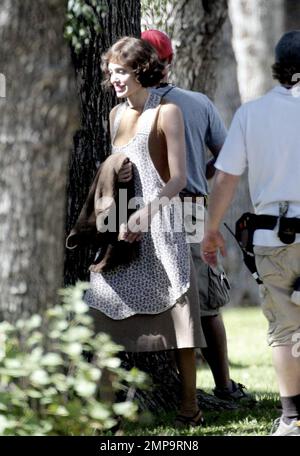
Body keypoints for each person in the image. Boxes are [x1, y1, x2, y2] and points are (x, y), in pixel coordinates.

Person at [76, 36, 206, 427]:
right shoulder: (115, 115)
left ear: (142, 70)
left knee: (180, 316)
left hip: (163, 225)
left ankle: (190, 409)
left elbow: (179, 177)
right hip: (121, 231)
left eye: (123, 71)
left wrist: (146, 215)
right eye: (112, 72)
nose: (115, 79)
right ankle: (106, 417)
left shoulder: (167, 112)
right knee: (99, 311)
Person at [141, 29, 253, 402]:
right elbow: (228, 152)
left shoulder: (130, 104)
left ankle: (179, 386)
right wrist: (199, 173)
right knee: (203, 305)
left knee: (162, 301)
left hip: (137, 213)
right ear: (170, 61)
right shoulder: (197, 103)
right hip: (188, 207)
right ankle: (223, 387)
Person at [201, 30, 300, 436]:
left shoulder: (251, 114)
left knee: (284, 328)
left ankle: (292, 418)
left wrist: (210, 230)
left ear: (278, 68)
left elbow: (225, 179)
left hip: (273, 237)